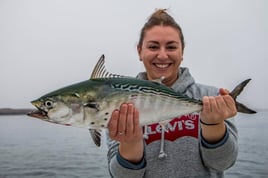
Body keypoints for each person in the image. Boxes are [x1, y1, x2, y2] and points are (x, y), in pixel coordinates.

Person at [106, 9, 238, 178]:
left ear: (182, 51)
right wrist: (131, 143)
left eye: (171, 47)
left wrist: (214, 126)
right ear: (140, 51)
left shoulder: (211, 97)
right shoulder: (118, 101)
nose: (162, 55)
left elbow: (223, 163)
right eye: (153, 46)